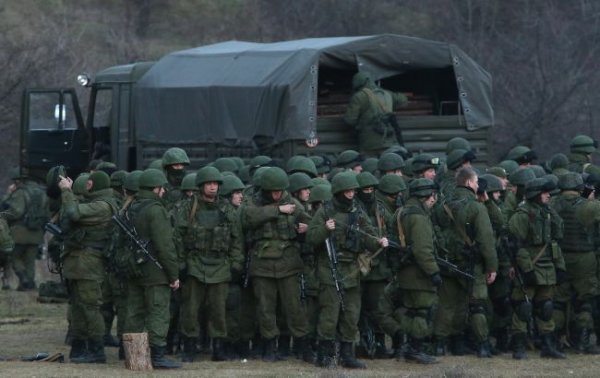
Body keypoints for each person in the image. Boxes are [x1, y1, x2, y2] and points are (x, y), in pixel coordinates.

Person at [307, 171, 389, 369]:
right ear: (338, 192)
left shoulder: (358, 212)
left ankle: (347, 354)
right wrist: (326, 229)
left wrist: (378, 241)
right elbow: (311, 239)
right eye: (347, 191)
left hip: (352, 269)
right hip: (330, 268)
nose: (351, 194)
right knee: (330, 313)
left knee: (351, 313)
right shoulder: (325, 212)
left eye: (353, 190)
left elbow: (368, 235)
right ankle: (326, 354)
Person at [241, 167, 314, 363]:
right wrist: (277, 210)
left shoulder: (292, 202)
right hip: (261, 263)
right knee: (265, 308)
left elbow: (310, 223)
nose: (277, 194)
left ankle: (303, 345)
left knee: (294, 307)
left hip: (288, 263)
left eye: (280, 191)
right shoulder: (253, 202)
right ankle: (269, 346)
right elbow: (247, 218)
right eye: (273, 191)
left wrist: (306, 228)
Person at [176, 167, 244, 362]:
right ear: (201, 186)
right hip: (195, 263)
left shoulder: (227, 209)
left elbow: (236, 239)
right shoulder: (187, 208)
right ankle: (189, 347)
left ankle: (218, 348)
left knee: (218, 310)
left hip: (220, 265)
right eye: (209, 183)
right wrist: (181, 264)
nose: (213, 187)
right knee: (190, 309)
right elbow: (177, 238)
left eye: (215, 184)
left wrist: (236, 264)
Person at [432, 167, 497, 358]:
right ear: (469, 183)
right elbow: (486, 240)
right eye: (476, 182)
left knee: (447, 305)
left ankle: (439, 346)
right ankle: (483, 346)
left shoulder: (442, 206)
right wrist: (492, 266)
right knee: (476, 304)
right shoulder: (477, 207)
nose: (478, 185)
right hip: (471, 264)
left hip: (446, 262)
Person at [121, 168, 181, 369]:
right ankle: (157, 356)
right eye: (162, 188)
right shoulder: (156, 210)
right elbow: (165, 246)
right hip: (155, 272)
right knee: (158, 312)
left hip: (134, 269)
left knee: (135, 313)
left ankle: (134, 356)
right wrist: (173, 275)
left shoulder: (131, 207)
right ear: (157, 188)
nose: (164, 191)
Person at [58, 171, 118, 363]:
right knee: (77, 306)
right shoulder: (94, 203)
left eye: (89, 182)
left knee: (91, 307)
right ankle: (79, 347)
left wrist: (67, 192)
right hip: (77, 261)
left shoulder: (102, 206)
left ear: (95, 185)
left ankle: (96, 350)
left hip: (89, 262)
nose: (86, 185)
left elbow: (73, 213)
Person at [508, 177, 566, 360]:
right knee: (523, 308)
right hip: (530, 266)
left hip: (547, 266)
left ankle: (548, 346)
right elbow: (517, 245)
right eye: (545, 193)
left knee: (546, 307)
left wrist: (560, 267)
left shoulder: (547, 213)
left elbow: (556, 239)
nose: (549, 195)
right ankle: (519, 347)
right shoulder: (522, 215)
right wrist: (527, 270)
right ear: (535, 194)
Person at [393, 178, 440, 364]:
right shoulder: (418, 217)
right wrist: (434, 272)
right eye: (432, 196)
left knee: (411, 311)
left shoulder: (401, 212)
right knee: (423, 310)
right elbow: (423, 249)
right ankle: (415, 349)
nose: (433, 200)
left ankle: (407, 347)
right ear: (426, 195)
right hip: (419, 273)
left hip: (405, 272)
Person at [1, 167, 47, 290]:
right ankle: (30, 284)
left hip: (20, 232)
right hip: (37, 232)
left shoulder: (21, 192)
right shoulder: (42, 193)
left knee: (14, 257)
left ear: (18, 181)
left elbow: (16, 212)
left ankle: (23, 279)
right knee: (30, 260)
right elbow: (46, 214)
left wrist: (8, 198)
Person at [343, 72, 408, 156]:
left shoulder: (359, 97)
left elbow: (350, 120)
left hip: (369, 143)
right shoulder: (387, 94)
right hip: (390, 141)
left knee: (370, 166)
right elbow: (403, 101)